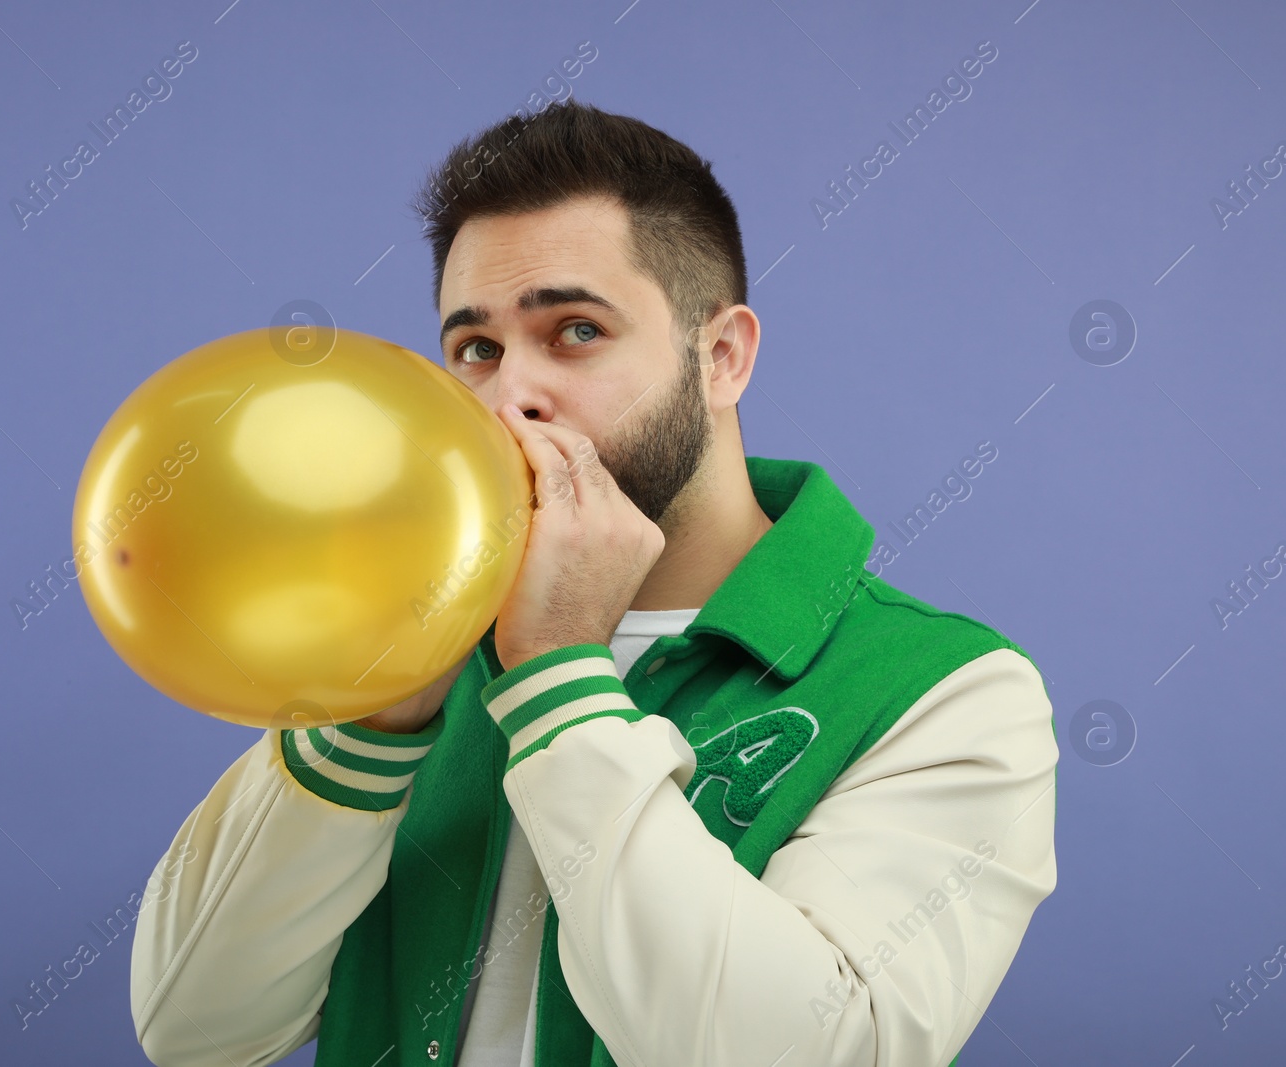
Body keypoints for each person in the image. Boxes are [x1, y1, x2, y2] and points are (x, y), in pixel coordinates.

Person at [129, 98, 1057, 1067]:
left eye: (573, 330)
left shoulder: (949, 690)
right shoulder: (409, 642)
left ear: (723, 355)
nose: (510, 394)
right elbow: (197, 1028)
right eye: (475, 348)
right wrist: (376, 716)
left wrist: (560, 677)